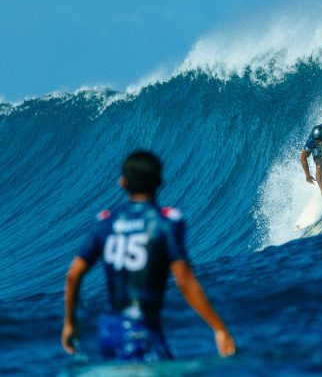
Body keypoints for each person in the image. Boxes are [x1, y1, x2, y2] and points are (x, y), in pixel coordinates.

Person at [61, 150, 236, 361]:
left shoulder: (104, 222)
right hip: (141, 332)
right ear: (160, 181)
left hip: (108, 332)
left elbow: (73, 275)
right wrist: (219, 329)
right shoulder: (166, 223)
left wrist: (70, 323)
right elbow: (184, 280)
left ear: (122, 182)